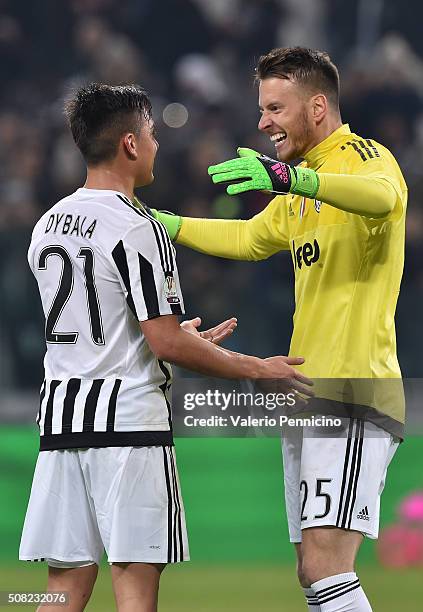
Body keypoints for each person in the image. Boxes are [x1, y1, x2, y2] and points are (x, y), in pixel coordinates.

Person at [19, 83, 313, 612]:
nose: (157, 144)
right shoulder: (139, 226)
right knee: (135, 590)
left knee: (63, 591)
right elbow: (166, 340)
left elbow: (106, 328)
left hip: (61, 420)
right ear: (130, 144)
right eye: (152, 133)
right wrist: (254, 367)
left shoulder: (47, 225)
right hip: (128, 425)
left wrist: (176, 340)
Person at [154, 47, 407, 611]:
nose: (263, 122)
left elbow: (384, 198)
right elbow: (246, 239)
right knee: (312, 573)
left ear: (317, 107)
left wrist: (291, 179)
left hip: (353, 387)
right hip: (309, 392)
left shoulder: (362, 158)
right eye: (262, 108)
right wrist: (160, 223)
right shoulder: (302, 182)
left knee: (326, 566)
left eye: (275, 108)